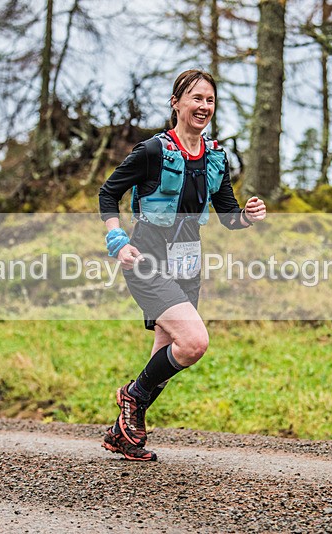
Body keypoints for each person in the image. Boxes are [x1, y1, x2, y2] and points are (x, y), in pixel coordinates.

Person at [98, 69, 266, 461]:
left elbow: (229, 216)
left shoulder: (217, 158)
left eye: (209, 100)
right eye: (195, 98)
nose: (203, 107)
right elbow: (109, 193)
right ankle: (132, 398)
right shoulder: (153, 151)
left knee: (165, 353)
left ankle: (122, 433)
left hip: (188, 263)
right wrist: (117, 240)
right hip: (146, 259)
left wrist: (249, 215)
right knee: (193, 343)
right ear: (176, 103)